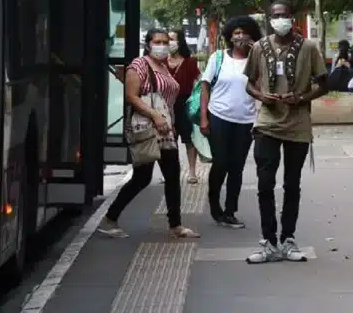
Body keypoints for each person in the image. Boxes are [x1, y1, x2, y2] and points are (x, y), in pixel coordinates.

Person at [243, 0, 328, 263]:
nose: (281, 19)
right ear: (269, 19)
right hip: (267, 123)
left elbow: (324, 84)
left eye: (285, 15)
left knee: (292, 184)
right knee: (265, 183)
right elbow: (249, 84)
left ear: (293, 18)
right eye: (275, 15)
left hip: (297, 123)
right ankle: (268, 241)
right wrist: (262, 96)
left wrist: (302, 99)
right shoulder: (259, 47)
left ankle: (288, 239)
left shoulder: (309, 47)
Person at [98, 28, 199, 239]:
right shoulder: (139, 65)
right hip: (149, 128)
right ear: (148, 44)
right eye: (158, 42)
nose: (163, 45)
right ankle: (110, 218)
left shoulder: (163, 67)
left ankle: (176, 225)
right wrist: (155, 115)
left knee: (172, 175)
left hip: (165, 130)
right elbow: (132, 96)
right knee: (142, 178)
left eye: (165, 41)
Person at [200, 16, 262, 229]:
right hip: (219, 116)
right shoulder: (218, 58)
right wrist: (203, 118)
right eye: (235, 33)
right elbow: (205, 87)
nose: (240, 36)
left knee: (237, 167)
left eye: (244, 32)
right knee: (221, 163)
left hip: (246, 120)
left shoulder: (257, 60)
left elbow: (264, 87)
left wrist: (258, 54)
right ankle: (214, 204)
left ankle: (230, 211)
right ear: (229, 36)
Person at [167, 29, 201, 183]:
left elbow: (199, 83)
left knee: (189, 140)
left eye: (172, 39)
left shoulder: (190, 62)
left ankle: (192, 172)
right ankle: (169, 173)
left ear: (180, 42)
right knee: (168, 141)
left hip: (185, 104)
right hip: (166, 105)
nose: (169, 43)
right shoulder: (160, 62)